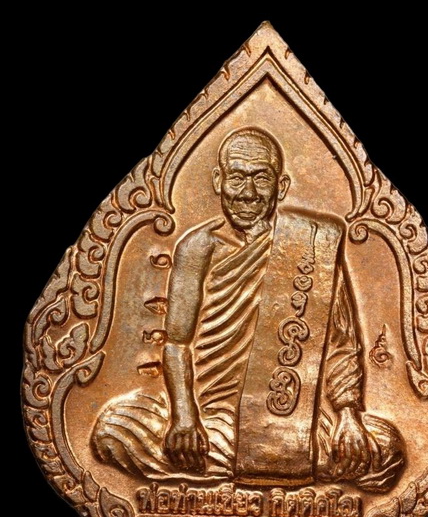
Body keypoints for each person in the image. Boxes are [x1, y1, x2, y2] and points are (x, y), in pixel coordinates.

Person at [92, 127, 405, 492]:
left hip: (294, 415)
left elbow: (342, 343)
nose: (248, 193)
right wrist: (184, 417)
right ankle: (262, 464)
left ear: (281, 186)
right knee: (112, 428)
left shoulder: (312, 244)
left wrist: (348, 416)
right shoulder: (198, 247)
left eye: (261, 178)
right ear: (218, 181)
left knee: (388, 447)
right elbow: (177, 344)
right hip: (213, 417)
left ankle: (245, 464)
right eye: (237, 177)